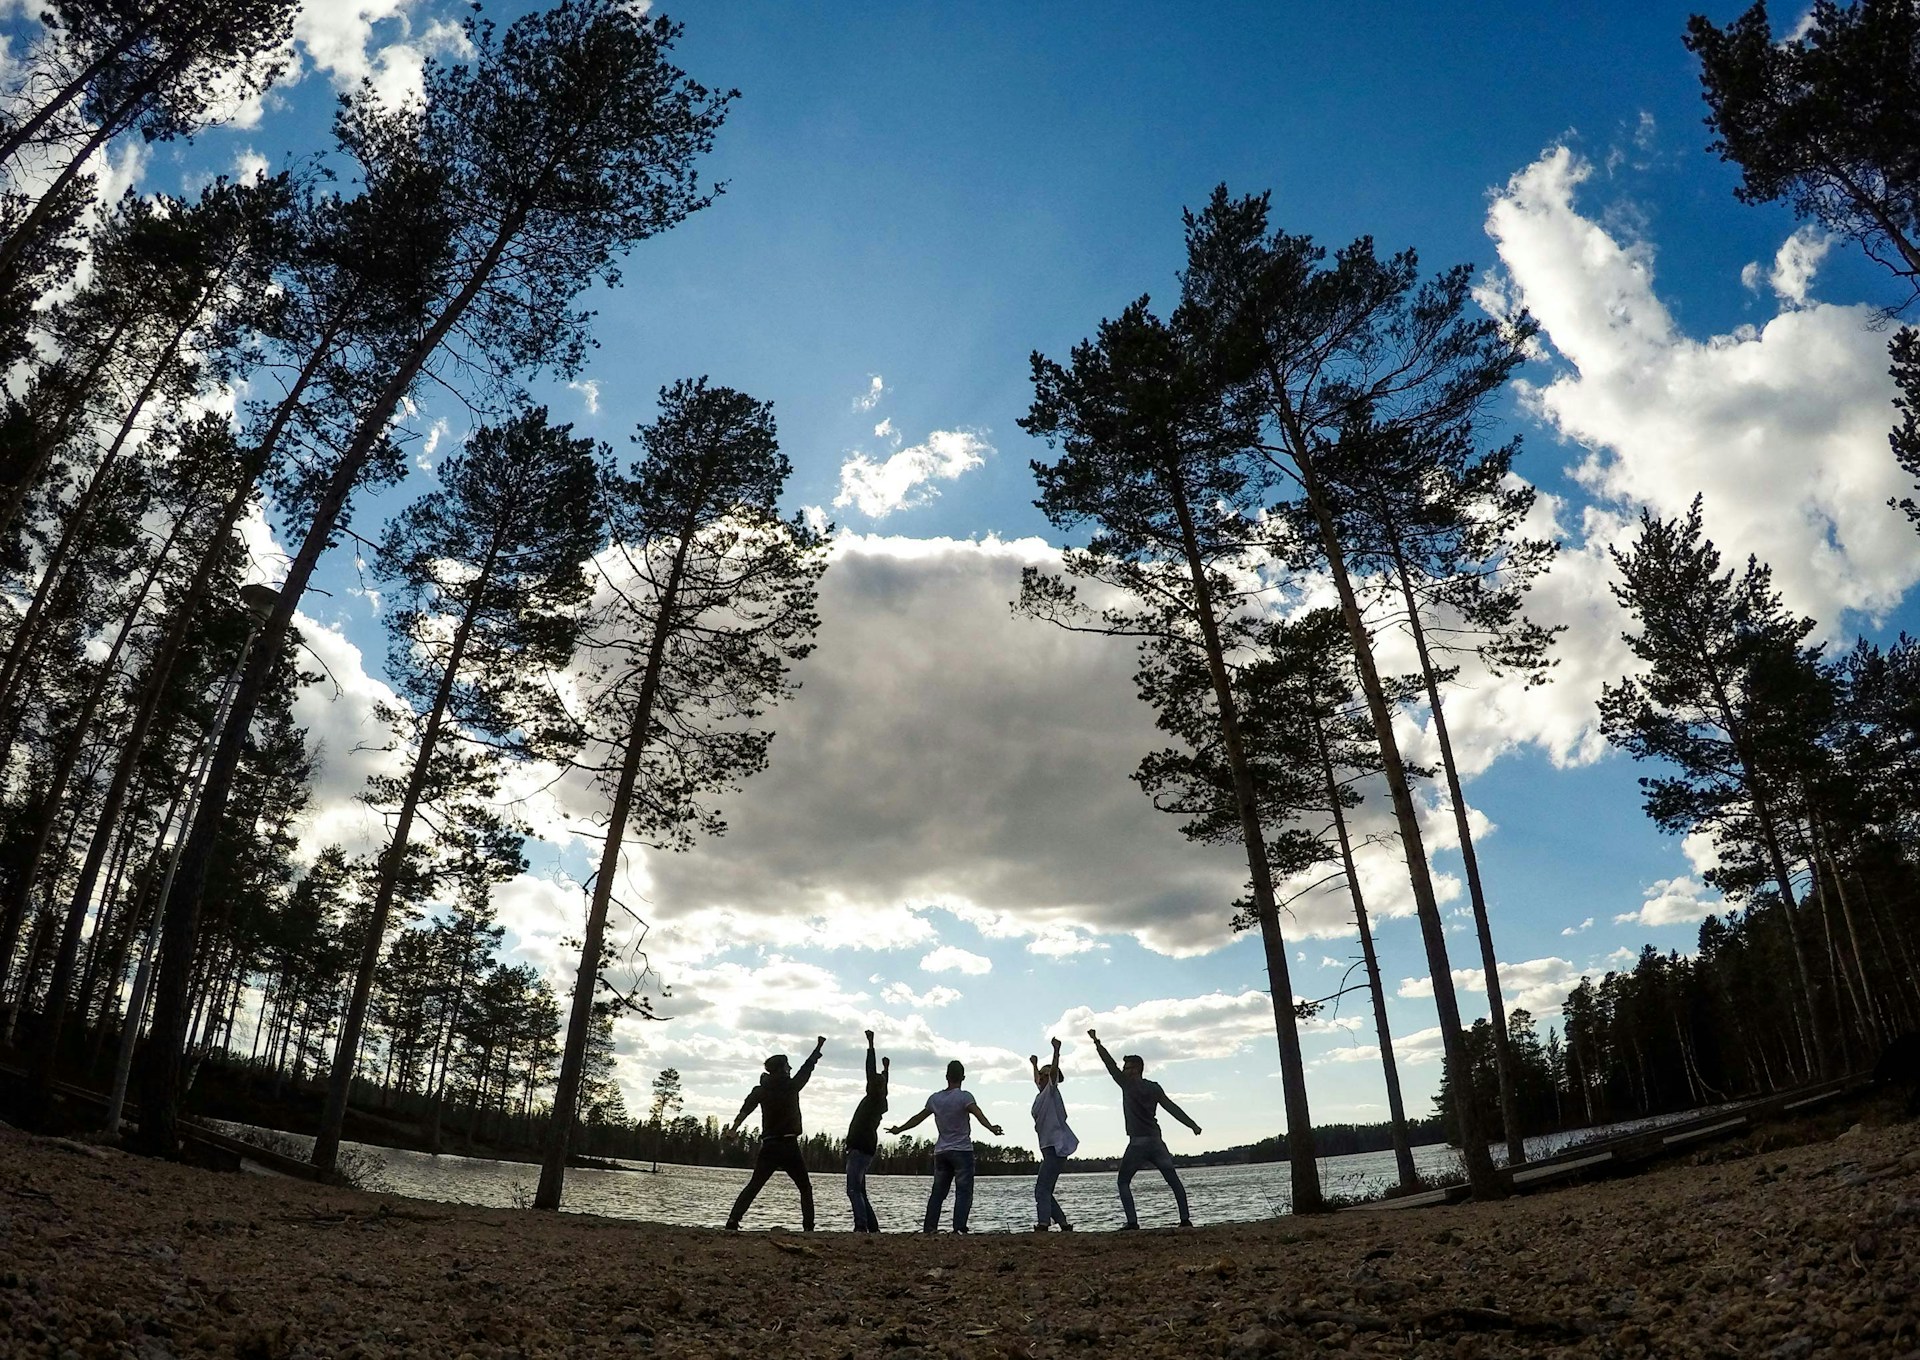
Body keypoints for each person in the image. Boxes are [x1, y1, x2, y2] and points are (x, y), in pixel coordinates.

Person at [1088, 1028, 1201, 1229]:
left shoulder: (1127, 1084)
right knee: (1173, 1180)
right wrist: (1192, 1125)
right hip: (1156, 1141)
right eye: (1124, 1068)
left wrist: (1097, 1042)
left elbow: (1109, 1064)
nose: (1124, 1071)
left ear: (1137, 1069)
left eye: (1128, 1067)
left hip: (1139, 1142)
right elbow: (1172, 1108)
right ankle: (1185, 1219)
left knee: (1123, 1182)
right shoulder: (1154, 1087)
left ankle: (1132, 1222)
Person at [887, 1058, 1002, 1233]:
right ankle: (959, 1228)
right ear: (962, 1077)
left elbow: (918, 1118)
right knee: (963, 1192)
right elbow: (978, 1114)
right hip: (962, 1151)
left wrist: (899, 1129)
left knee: (938, 1193)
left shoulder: (935, 1099)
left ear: (946, 1076)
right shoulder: (965, 1097)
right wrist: (991, 1128)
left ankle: (930, 1227)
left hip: (941, 1151)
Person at [723, 1035, 825, 1231]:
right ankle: (809, 1228)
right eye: (788, 1066)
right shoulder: (791, 1086)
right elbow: (807, 1067)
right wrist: (818, 1048)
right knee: (805, 1187)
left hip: (770, 1146)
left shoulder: (761, 1090)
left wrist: (734, 1129)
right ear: (781, 1069)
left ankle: (732, 1221)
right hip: (788, 1146)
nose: (790, 1069)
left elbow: (744, 1110)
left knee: (754, 1185)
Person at [1029, 1035, 1077, 1232]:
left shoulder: (1051, 1091)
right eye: (1040, 1075)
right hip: (1048, 1148)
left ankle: (1043, 1223)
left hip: (1056, 1148)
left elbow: (1053, 1073)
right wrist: (1035, 1064)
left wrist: (1057, 1051)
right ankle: (1064, 1223)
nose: (1041, 1077)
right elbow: (1036, 1080)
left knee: (1041, 1189)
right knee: (1046, 1189)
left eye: (1045, 1075)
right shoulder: (1041, 1094)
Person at [845, 1029, 889, 1232]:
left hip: (860, 1147)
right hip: (867, 1146)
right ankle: (873, 1226)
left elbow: (869, 1070)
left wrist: (871, 1045)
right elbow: (881, 1082)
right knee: (860, 1189)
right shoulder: (880, 1101)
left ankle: (861, 1225)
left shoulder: (872, 1099)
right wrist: (887, 1070)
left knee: (853, 1189)